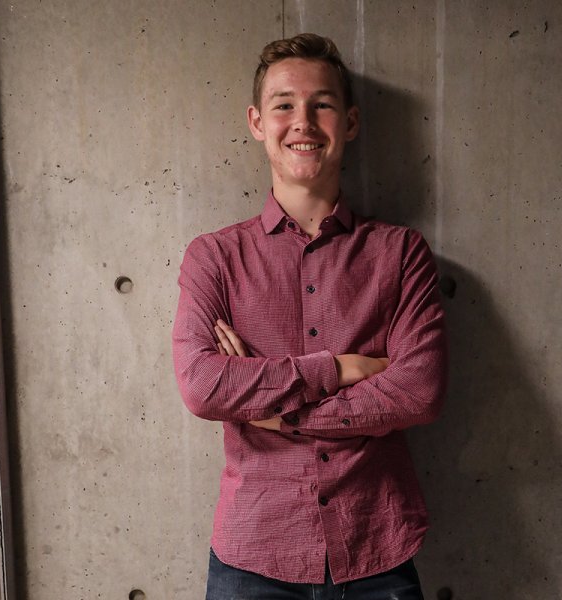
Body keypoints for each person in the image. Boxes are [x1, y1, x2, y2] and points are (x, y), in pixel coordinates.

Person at [171, 33, 447, 599]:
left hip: (376, 549)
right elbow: (202, 387)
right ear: (256, 122)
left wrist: (271, 410)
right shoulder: (214, 258)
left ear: (348, 122)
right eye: (284, 105)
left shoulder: (400, 253)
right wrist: (342, 368)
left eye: (321, 104)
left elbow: (417, 391)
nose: (302, 121)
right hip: (253, 554)